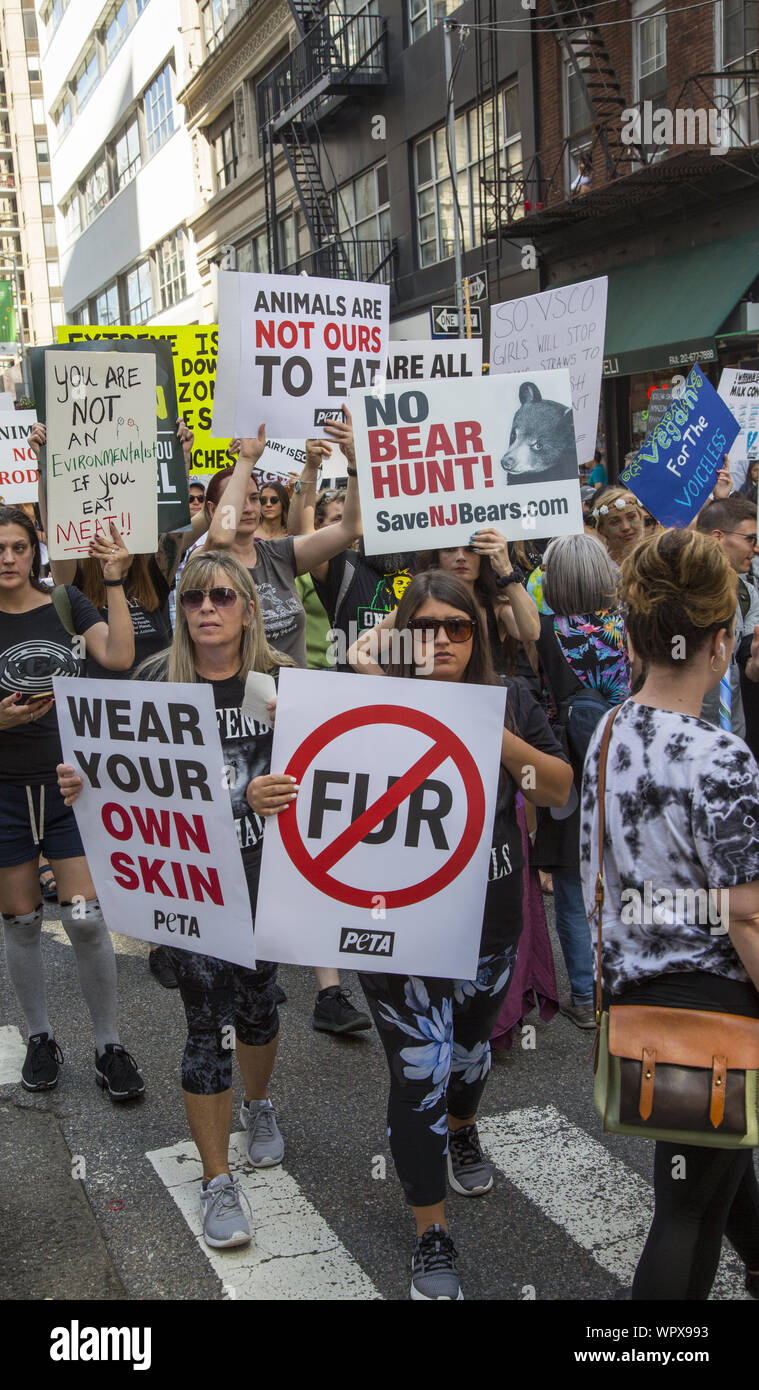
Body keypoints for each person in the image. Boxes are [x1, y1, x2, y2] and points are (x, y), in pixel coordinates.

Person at [340, 570, 572, 1299]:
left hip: (488, 922)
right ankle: (430, 1232)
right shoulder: (371, 699)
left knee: (468, 1058)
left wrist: (484, 726)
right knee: (418, 1074)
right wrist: (374, 669)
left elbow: (557, 790)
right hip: (397, 926)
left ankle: (464, 1127)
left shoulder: (510, 700)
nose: (441, 638)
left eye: (459, 626)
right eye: (426, 625)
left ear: (479, 636)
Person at [59, 550, 294, 1250]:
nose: (206, 610)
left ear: (247, 608)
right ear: (179, 610)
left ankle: (260, 1103)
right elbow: (136, 788)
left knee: (259, 1006)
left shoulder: (283, 684)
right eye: (192, 599)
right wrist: (87, 786)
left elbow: (328, 779)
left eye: (222, 596)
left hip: (268, 881)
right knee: (205, 1026)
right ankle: (216, 1178)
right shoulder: (154, 684)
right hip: (192, 886)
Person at [580, 527, 759, 1300]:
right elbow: (746, 916)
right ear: (719, 644)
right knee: (684, 1213)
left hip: (636, 999)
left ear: (636, 635)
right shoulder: (721, 756)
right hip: (711, 1008)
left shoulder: (609, 729)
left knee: (715, 1167)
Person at [0, 505, 144, 1099]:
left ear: (34, 550)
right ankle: (40, 1036)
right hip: (5, 793)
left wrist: (112, 579)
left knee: (85, 921)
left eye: (16, 547)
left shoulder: (63, 602)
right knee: (22, 923)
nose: (6, 558)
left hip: (69, 787)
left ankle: (109, 1044)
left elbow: (118, 656)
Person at [532, 533, 630, 1029]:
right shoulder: (628, 626)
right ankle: (626, 983)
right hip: (625, 767)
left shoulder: (544, 631)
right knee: (622, 880)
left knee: (571, 889)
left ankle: (585, 997)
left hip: (568, 772)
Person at [202, 413, 362, 670]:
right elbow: (221, 539)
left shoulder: (279, 554)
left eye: (254, 498)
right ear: (213, 509)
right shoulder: (205, 560)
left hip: (291, 702)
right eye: (237, 498)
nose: (249, 507)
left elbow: (350, 528)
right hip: (239, 703)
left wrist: (354, 463)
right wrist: (246, 460)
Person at [415, 533, 540, 685]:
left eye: (471, 549)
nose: (460, 557)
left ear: (483, 557)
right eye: (450, 549)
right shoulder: (418, 605)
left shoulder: (496, 606)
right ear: (436, 557)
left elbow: (531, 631)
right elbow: (377, 641)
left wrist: (506, 569)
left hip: (485, 703)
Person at [695, 496, 759, 751]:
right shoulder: (676, 593)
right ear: (718, 537)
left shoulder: (745, 593)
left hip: (734, 741)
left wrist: (755, 666)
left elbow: (746, 665)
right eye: (750, 539)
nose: (755, 549)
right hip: (688, 741)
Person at [591, 487, 645, 566]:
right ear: (601, 529)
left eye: (631, 517)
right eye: (615, 522)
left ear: (640, 517)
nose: (626, 527)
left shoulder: (657, 558)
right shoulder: (599, 569)